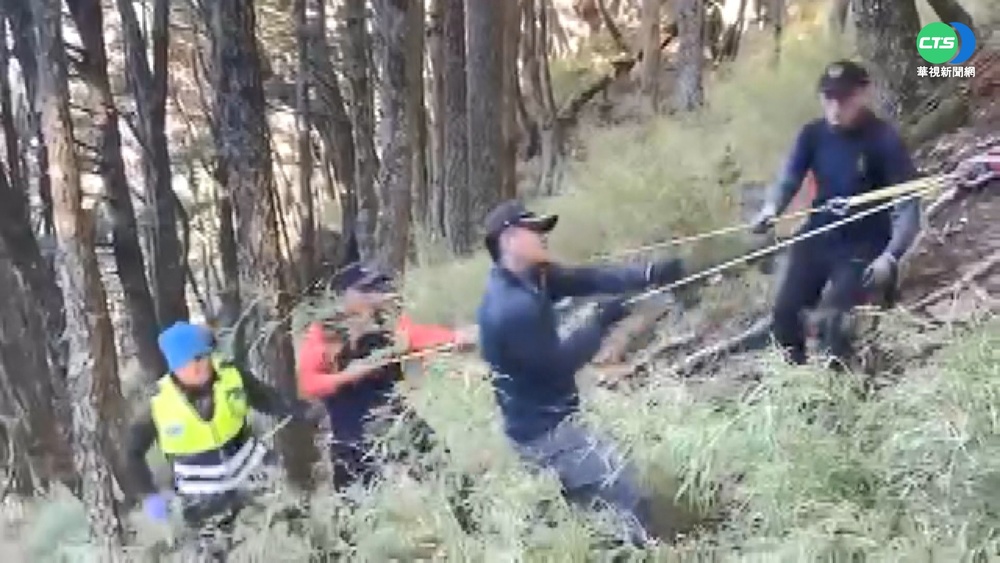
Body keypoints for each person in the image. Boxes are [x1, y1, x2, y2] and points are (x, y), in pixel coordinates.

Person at [476, 199, 686, 547]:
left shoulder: (532, 277)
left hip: (557, 421)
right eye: (536, 230)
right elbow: (559, 365)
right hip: (546, 435)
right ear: (509, 239)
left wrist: (648, 275)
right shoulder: (510, 309)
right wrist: (602, 321)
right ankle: (646, 551)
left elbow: (586, 278)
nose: (544, 237)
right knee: (627, 492)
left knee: (600, 510)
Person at [750, 60, 920, 367]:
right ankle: (794, 381)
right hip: (818, 235)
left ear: (863, 94)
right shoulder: (812, 135)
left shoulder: (883, 139)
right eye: (828, 99)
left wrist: (891, 257)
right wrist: (771, 208)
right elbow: (789, 179)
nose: (835, 108)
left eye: (843, 99)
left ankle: (841, 389)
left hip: (864, 243)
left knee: (836, 321)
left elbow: (908, 204)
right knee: (786, 314)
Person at [125, 321, 308, 553]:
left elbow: (265, 398)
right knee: (216, 552)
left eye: (204, 356)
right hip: (203, 498)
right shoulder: (156, 402)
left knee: (283, 537)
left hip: (253, 474)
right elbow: (132, 454)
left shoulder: (231, 374)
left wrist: (299, 410)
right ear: (176, 367)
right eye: (193, 360)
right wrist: (149, 494)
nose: (203, 365)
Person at [296, 263, 477, 494]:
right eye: (367, 290)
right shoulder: (325, 332)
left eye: (377, 289)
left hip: (394, 419)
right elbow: (308, 383)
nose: (377, 295)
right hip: (353, 437)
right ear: (345, 296)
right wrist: (346, 376)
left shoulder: (385, 322)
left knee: (447, 472)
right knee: (357, 509)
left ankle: (476, 523)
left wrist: (454, 338)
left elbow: (416, 336)